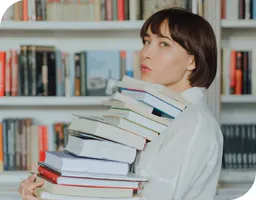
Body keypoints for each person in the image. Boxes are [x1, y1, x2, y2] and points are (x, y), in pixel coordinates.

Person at [19, 7, 223, 200]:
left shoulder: (192, 123)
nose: (145, 53)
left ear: (192, 62)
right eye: (146, 41)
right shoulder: (156, 115)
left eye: (163, 44)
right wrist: (48, 190)